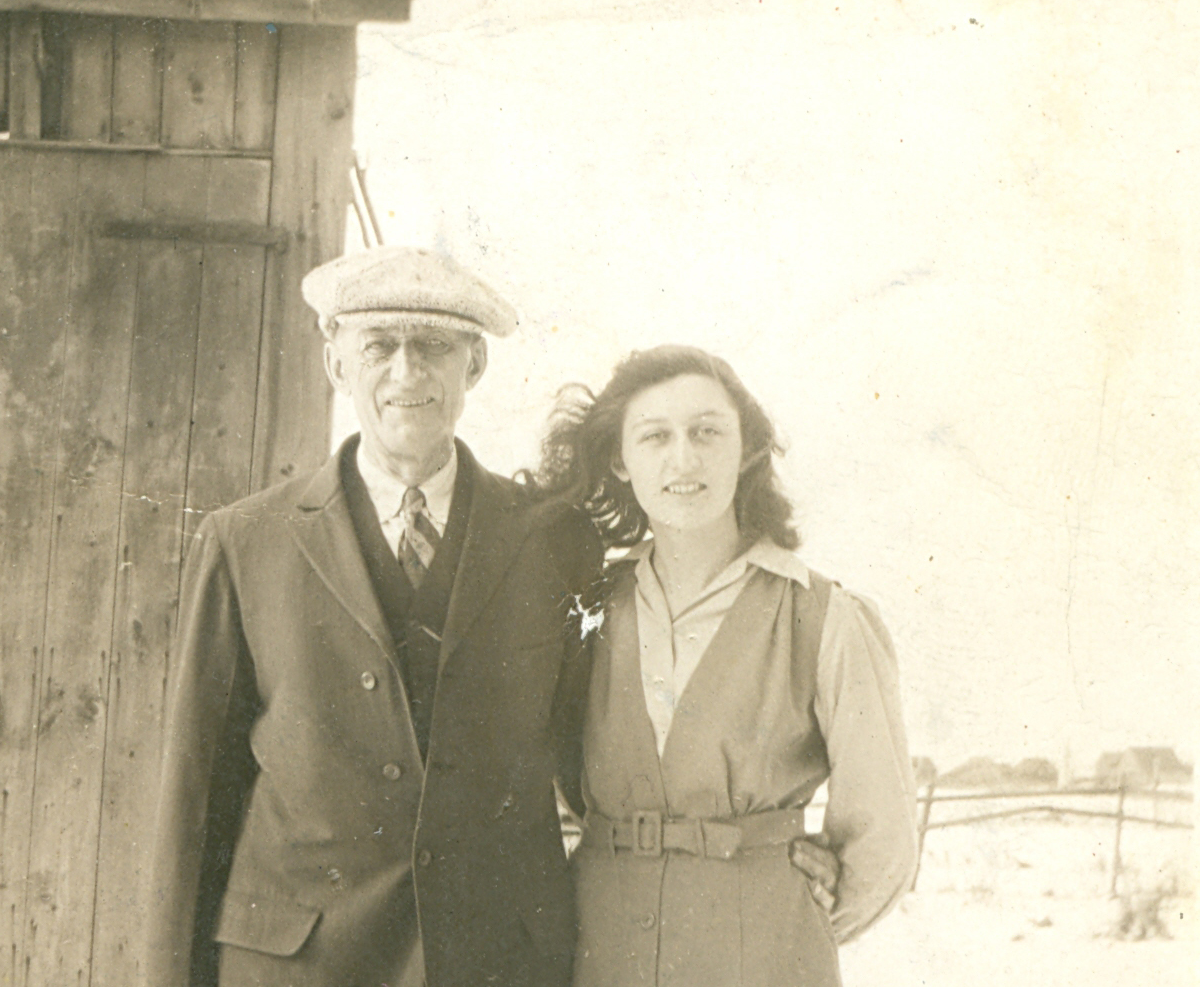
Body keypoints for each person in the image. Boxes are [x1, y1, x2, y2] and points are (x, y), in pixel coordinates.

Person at [144, 246, 602, 987]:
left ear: (474, 365)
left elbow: (602, 763)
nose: (406, 373)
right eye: (379, 346)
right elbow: (195, 795)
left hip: (496, 963)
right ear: (336, 366)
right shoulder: (246, 540)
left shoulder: (553, 540)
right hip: (297, 967)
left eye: (433, 347)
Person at [527, 345, 919, 987]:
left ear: (747, 450)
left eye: (708, 432)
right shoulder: (587, 610)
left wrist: (798, 912)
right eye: (655, 436)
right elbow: (572, 777)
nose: (683, 458)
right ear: (620, 462)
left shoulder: (823, 616)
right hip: (602, 953)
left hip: (763, 958)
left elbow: (883, 839)